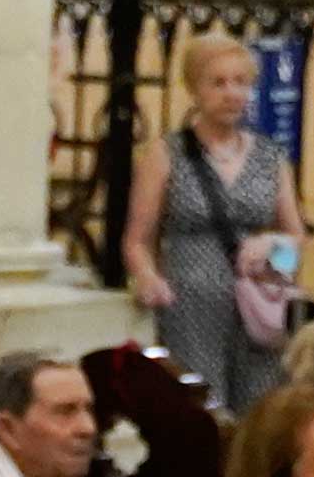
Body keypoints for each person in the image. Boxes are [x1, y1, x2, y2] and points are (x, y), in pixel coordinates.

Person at [125, 31, 303, 414]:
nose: (232, 93)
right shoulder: (167, 153)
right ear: (195, 89)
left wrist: (276, 253)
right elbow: (137, 238)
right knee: (200, 410)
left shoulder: (271, 157)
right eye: (218, 83)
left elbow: (297, 239)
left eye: (241, 83)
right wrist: (147, 276)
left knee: (260, 409)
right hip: (190, 304)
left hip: (258, 303)